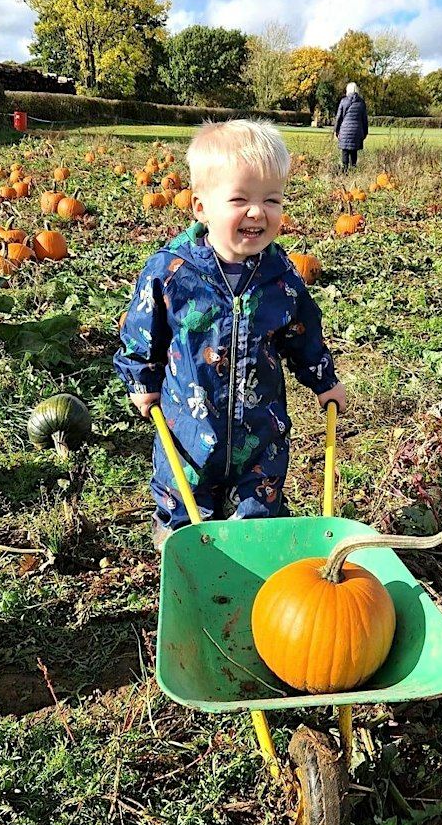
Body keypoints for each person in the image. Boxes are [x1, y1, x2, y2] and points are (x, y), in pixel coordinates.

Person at [115, 119, 347, 550]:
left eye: (271, 200)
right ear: (201, 207)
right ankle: (179, 538)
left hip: (260, 427)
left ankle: (255, 543)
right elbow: (142, 331)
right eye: (240, 199)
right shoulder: (172, 272)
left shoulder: (281, 278)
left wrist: (323, 380)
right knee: (183, 492)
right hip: (189, 423)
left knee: (260, 497)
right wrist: (142, 381)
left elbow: (303, 333)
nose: (257, 212)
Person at [334, 82, 368, 172]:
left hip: (344, 130)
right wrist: (365, 132)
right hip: (357, 130)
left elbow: (339, 117)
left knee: (345, 151)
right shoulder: (361, 102)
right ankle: (353, 170)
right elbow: (364, 119)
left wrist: (336, 130)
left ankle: (344, 171)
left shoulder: (343, 101)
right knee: (354, 151)